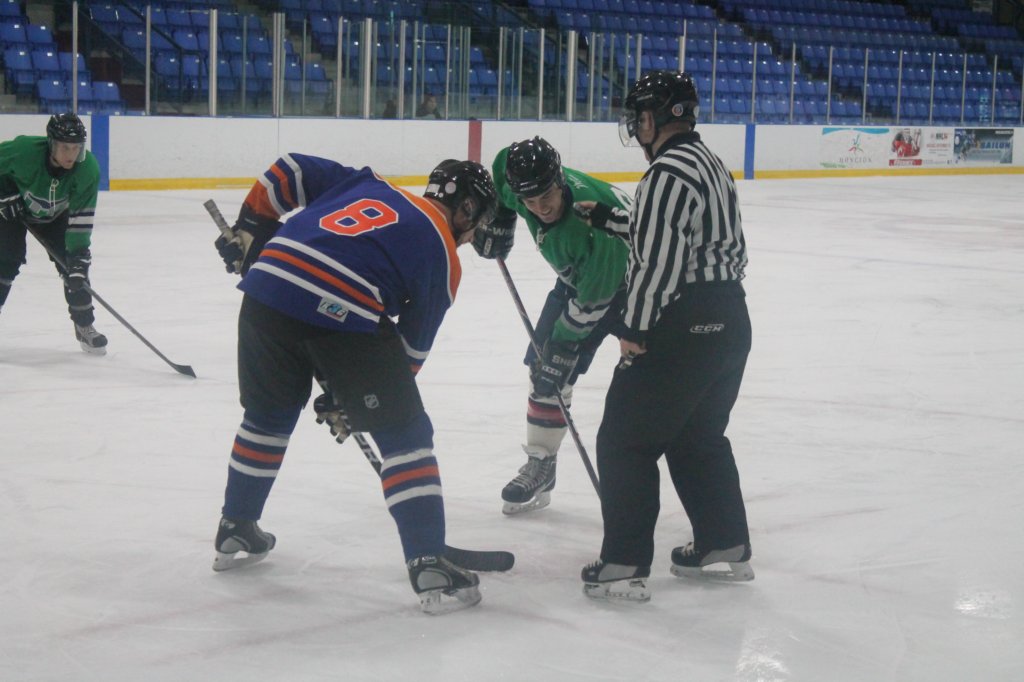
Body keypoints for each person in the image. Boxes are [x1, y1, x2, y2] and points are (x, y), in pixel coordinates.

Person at [211, 154, 498, 615]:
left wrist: (252, 227)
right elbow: (407, 356)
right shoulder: (443, 253)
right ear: (466, 210)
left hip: (267, 286)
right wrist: (356, 401)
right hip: (339, 306)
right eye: (476, 222)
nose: (470, 234)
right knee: (405, 432)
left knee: (267, 416)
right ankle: (428, 561)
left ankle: (236, 526)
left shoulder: (369, 184)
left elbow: (289, 169)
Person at [576, 71, 754, 602]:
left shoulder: (665, 174)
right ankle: (723, 542)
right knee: (698, 437)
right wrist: (611, 219)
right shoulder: (709, 163)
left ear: (654, 117)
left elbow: (658, 264)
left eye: (639, 117)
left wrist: (634, 327)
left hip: (682, 322)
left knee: (624, 440)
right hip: (729, 321)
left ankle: (623, 561)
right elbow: (678, 234)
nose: (635, 126)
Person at [471, 136, 631, 514]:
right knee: (543, 368)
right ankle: (541, 462)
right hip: (581, 278)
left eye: (546, 197)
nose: (540, 208)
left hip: (637, 285)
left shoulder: (591, 226)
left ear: (559, 181)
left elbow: (594, 301)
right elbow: (501, 164)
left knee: (650, 382)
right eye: (528, 202)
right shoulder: (522, 187)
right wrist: (502, 216)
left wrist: (563, 345)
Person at [0, 113, 106, 353]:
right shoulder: (23, 151)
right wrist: (3, 193)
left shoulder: (88, 169)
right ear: (51, 144)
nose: (71, 155)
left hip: (56, 215)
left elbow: (81, 219)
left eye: (76, 148)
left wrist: (78, 256)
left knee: (73, 267)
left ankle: (84, 326)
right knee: (5, 260)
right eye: (65, 147)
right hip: (14, 210)